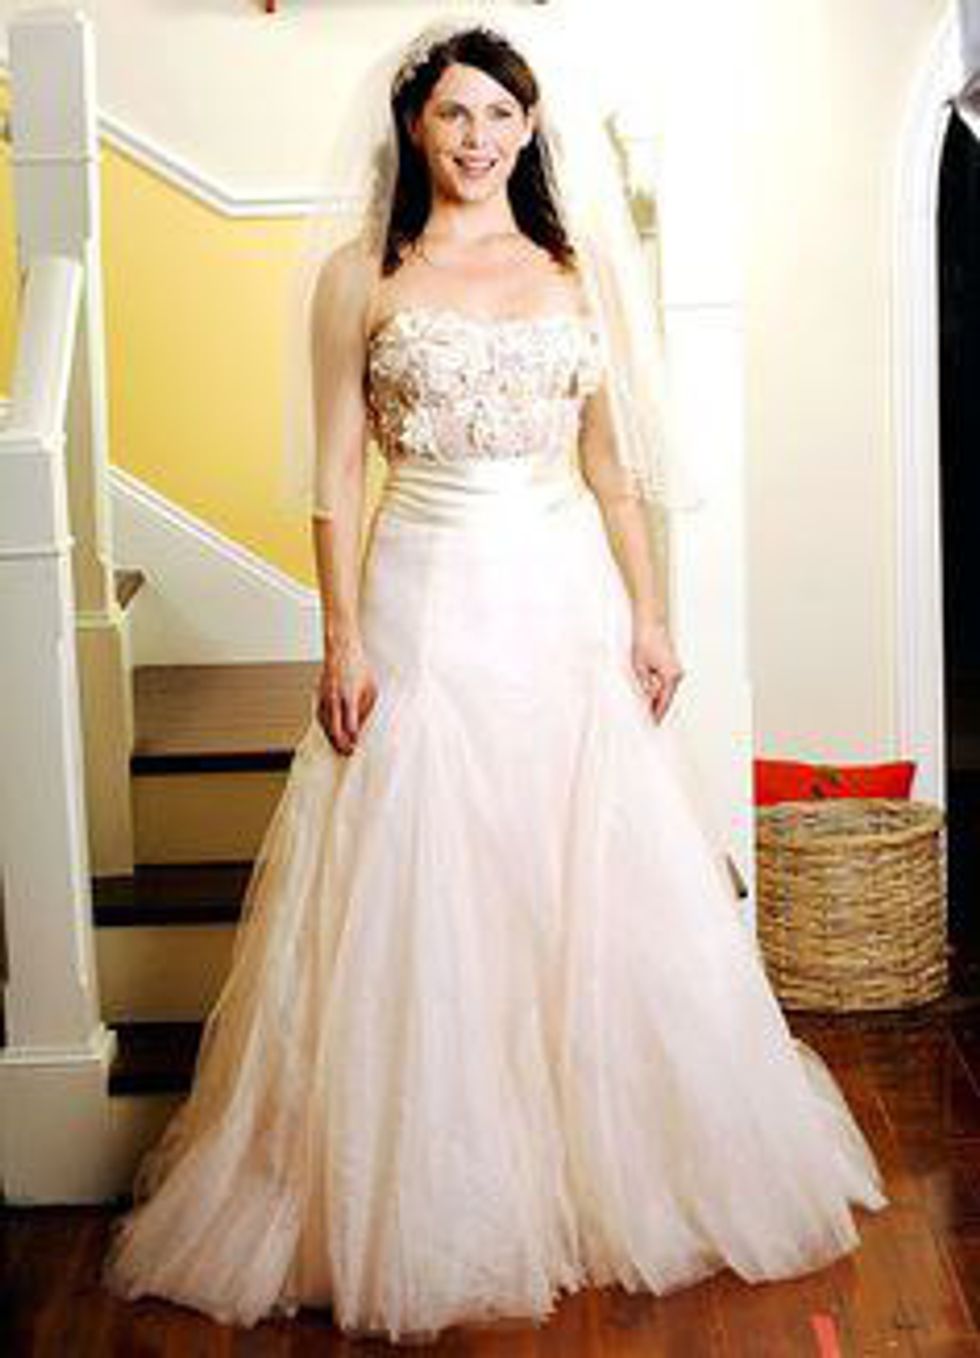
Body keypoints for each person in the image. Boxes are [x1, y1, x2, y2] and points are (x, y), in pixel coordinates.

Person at [101, 15, 888, 1343]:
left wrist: (650, 615)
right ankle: (443, 1190)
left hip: (563, 598)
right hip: (424, 594)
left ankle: (603, 1174)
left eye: (501, 116)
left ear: (530, 130)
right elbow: (336, 474)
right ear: (416, 125)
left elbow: (611, 470)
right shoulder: (362, 276)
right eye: (456, 114)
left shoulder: (575, 270)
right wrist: (341, 637)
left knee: (582, 872)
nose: (478, 139)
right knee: (429, 879)